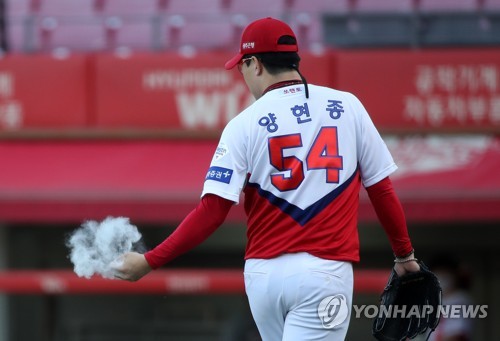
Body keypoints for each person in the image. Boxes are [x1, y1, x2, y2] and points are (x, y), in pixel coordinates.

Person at [113, 17, 420, 340]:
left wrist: (149, 261)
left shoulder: (242, 124)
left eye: (242, 68)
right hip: (325, 273)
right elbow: (381, 190)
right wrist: (404, 255)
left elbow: (212, 212)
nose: (243, 77)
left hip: (263, 276)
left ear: (254, 63)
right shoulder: (348, 106)